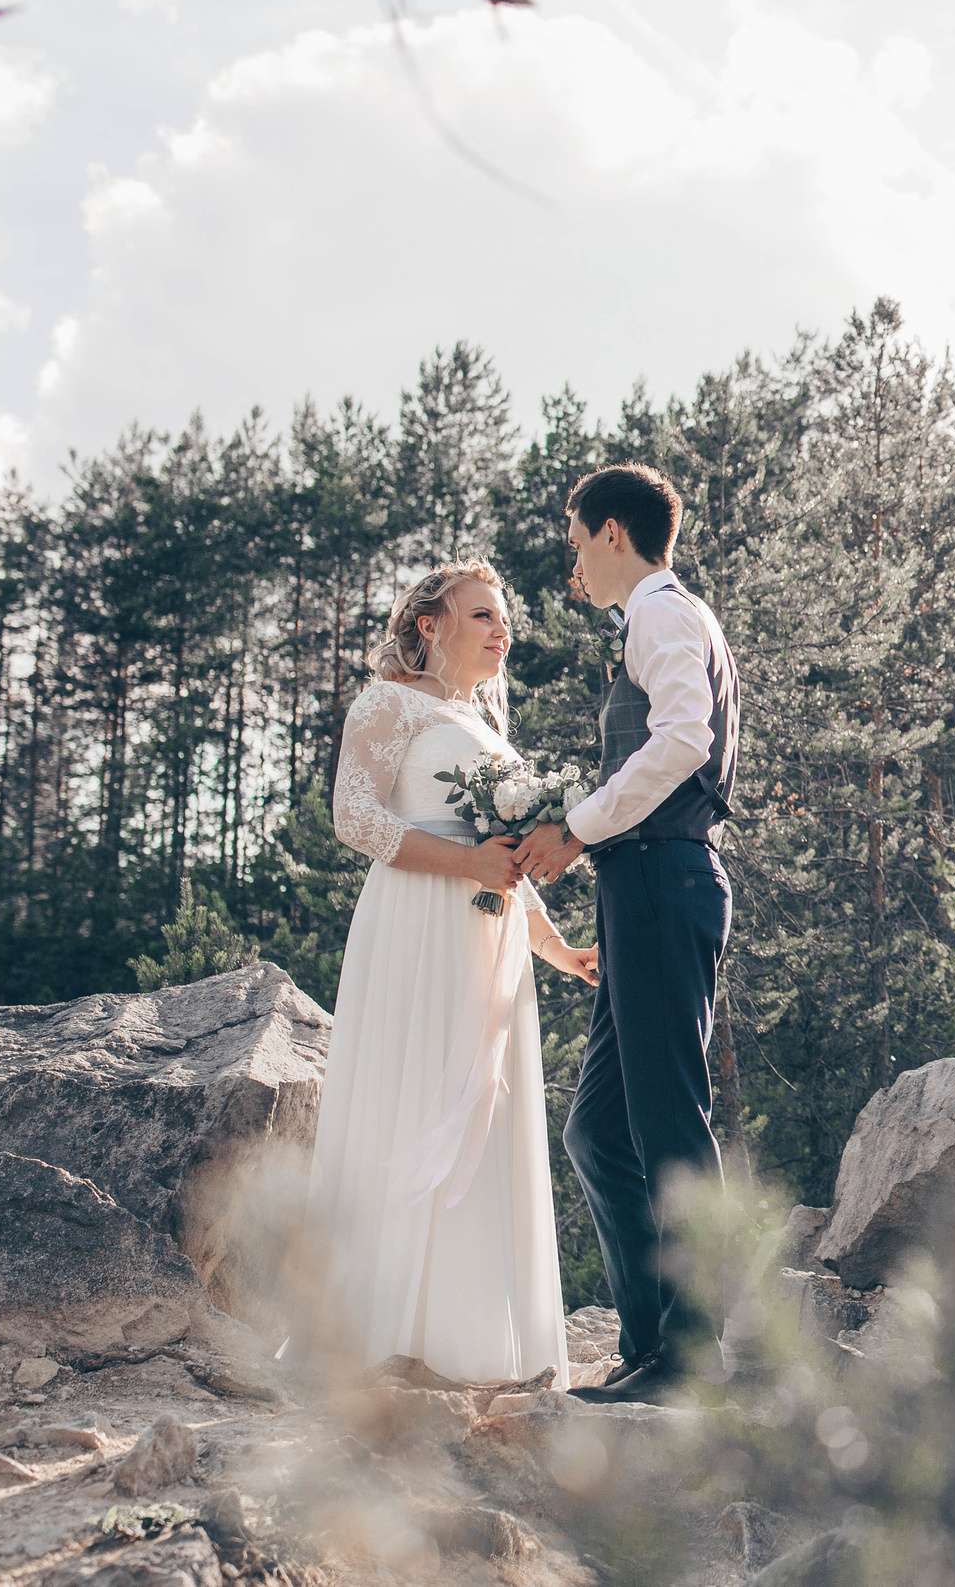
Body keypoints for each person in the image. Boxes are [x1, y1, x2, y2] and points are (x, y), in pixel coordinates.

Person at [308, 562, 596, 1385]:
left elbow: (508, 867)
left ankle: (473, 1343)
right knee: (411, 1099)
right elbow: (354, 816)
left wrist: (560, 948)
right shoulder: (387, 703)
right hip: (415, 924)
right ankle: (379, 1334)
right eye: (482, 616)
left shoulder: (485, 725)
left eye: (504, 620)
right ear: (429, 625)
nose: (502, 631)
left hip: (486, 940)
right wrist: (468, 863)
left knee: (482, 1117)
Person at [516, 464, 740, 1405]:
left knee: (667, 1120)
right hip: (639, 885)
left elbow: (684, 738)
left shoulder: (661, 612)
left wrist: (576, 826)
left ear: (614, 532)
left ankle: (691, 1360)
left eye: (575, 540)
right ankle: (650, 1343)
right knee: (599, 1126)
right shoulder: (661, 618)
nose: (573, 560)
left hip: (657, 875)